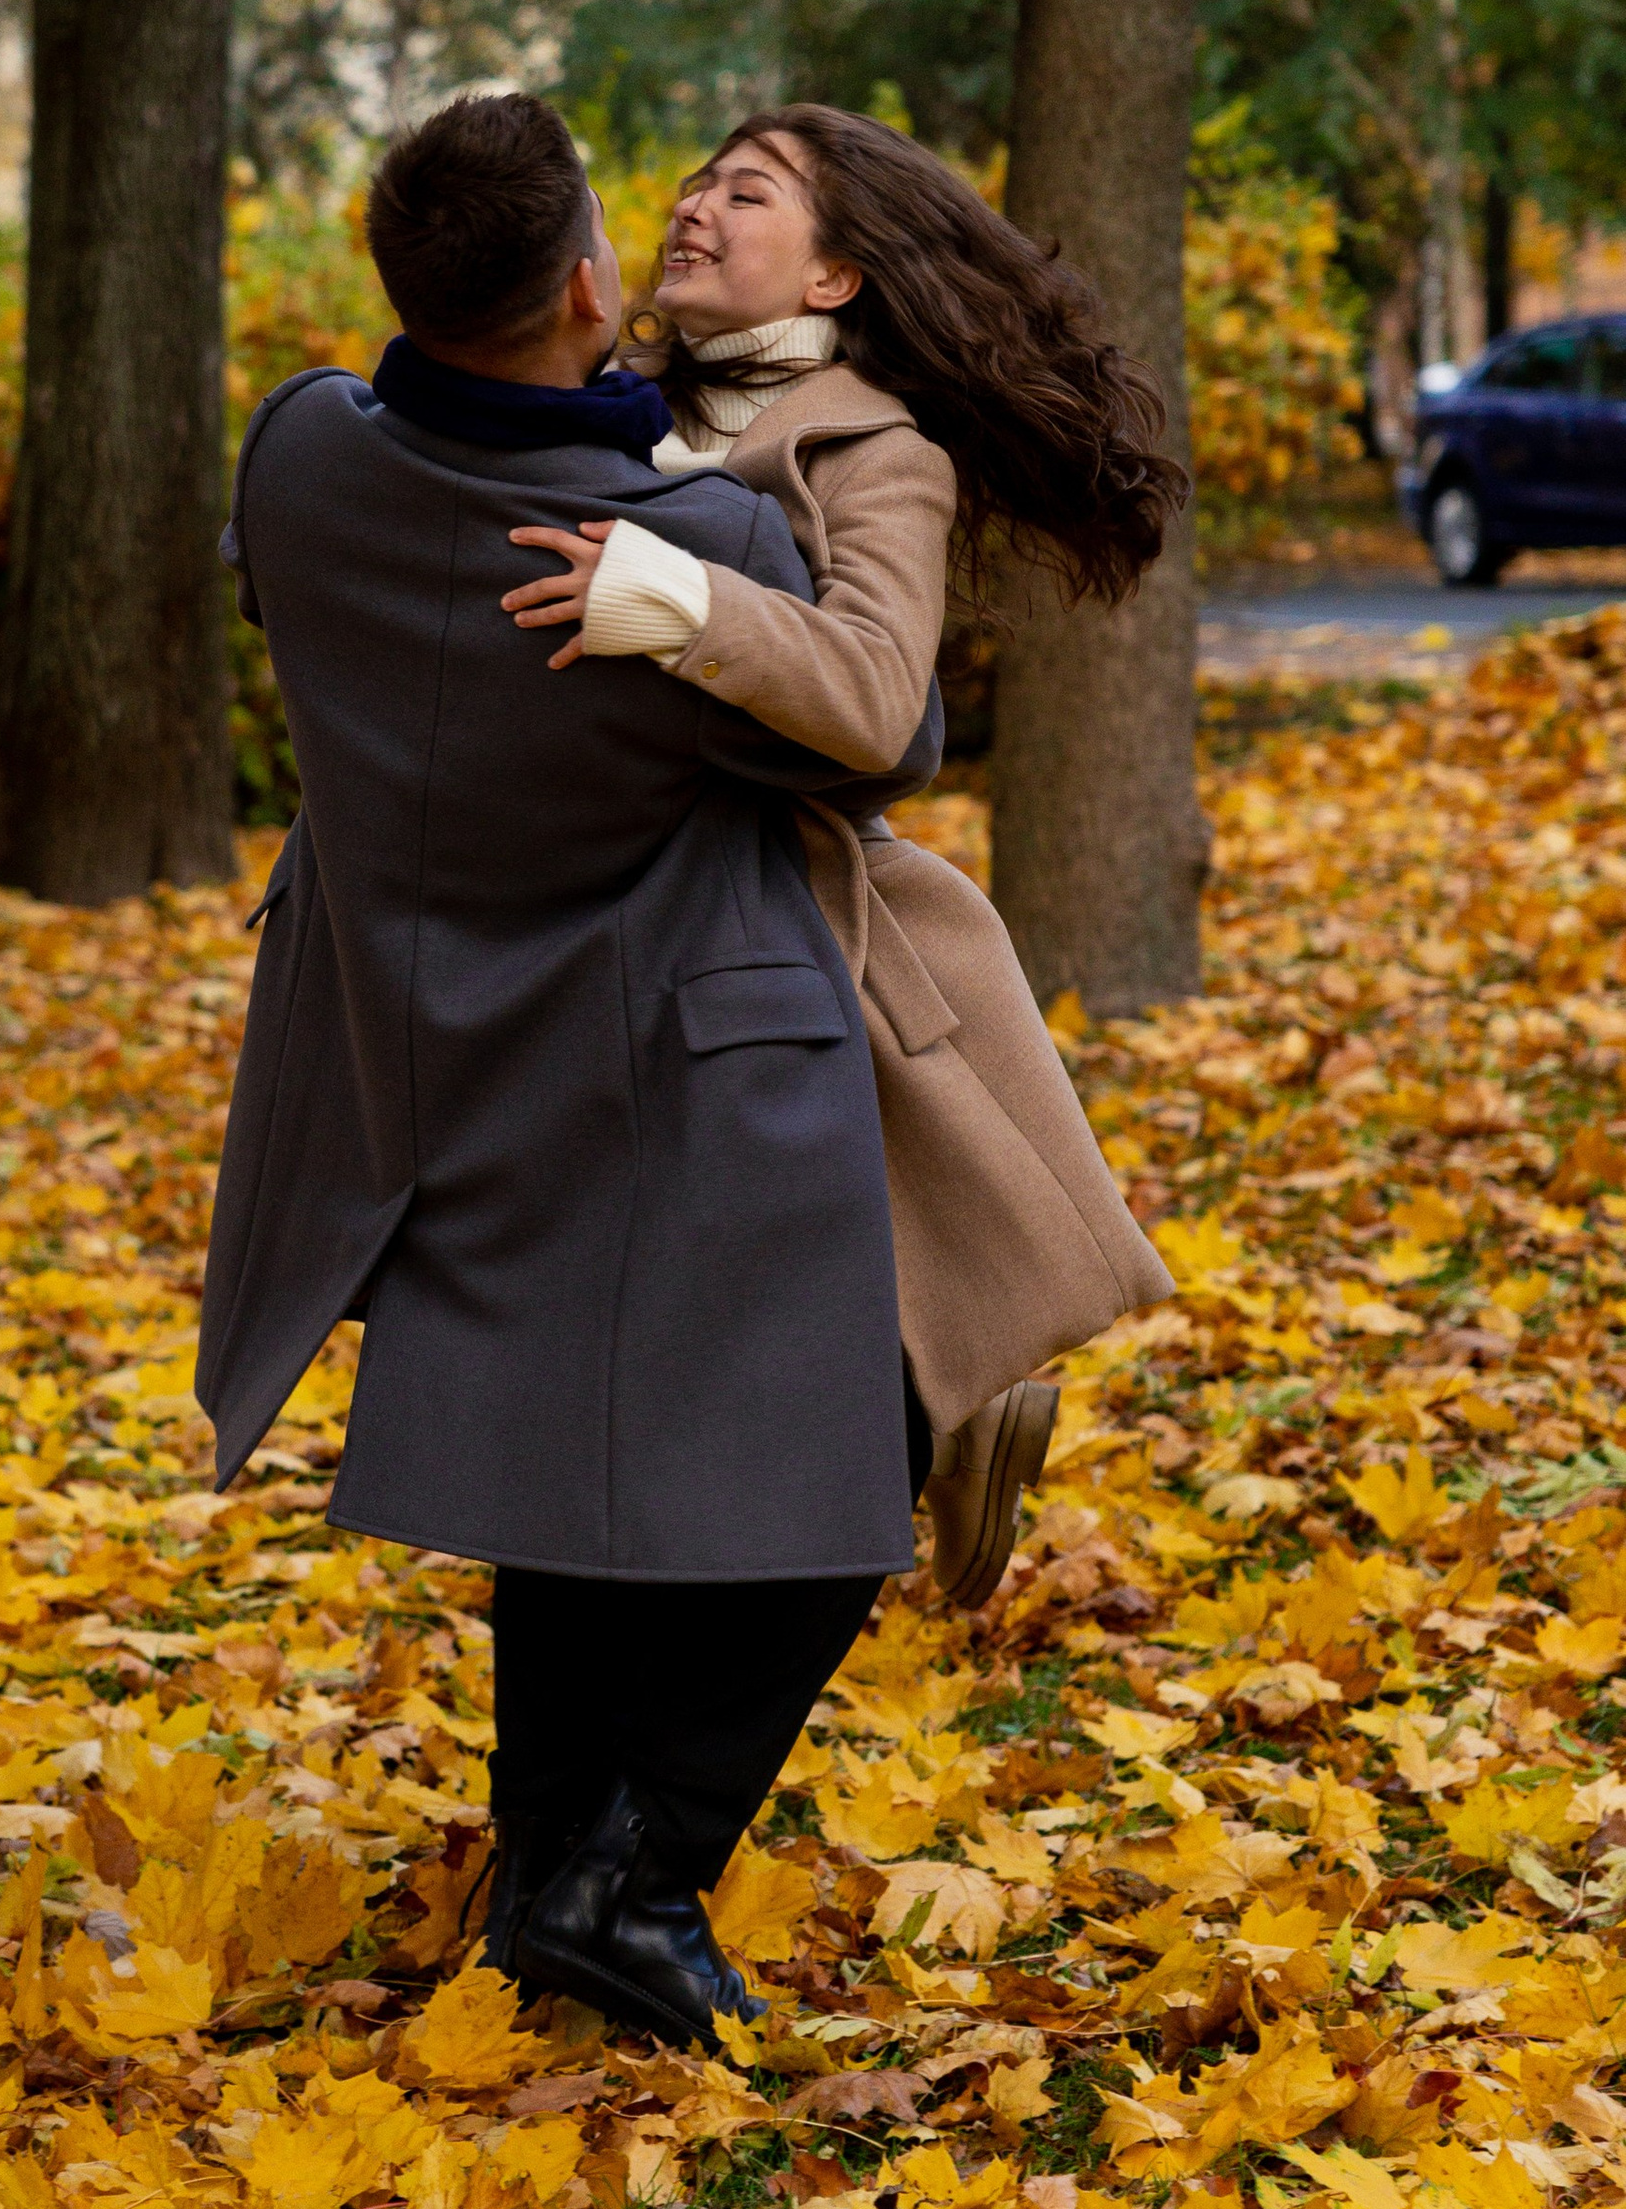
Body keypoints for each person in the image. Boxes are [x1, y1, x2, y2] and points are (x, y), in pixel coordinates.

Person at [198, 92, 941, 2054]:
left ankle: (550, 1882)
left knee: (556, 1470)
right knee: (868, 1434)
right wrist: (695, 578)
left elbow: (323, 532)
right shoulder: (676, 544)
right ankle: (637, 1858)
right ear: (589, 283)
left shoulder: (296, 463)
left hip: (428, 1058)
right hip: (659, 1059)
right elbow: (876, 732)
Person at [501, 105, 1176, 1597]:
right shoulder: (598, 400)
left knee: (788, 1319)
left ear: (832, 282)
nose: (697, 208)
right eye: (695, 184)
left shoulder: (882, 453)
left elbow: (880, 699)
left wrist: (680, 607)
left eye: (749, 195)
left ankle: (943, 1402)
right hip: (596, 914)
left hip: (791, 923)